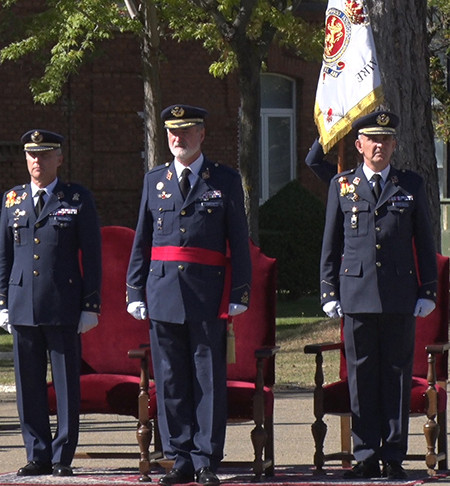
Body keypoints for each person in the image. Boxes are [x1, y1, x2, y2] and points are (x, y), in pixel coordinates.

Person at [126, 104, 251, 486]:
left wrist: (240, 291)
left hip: (206, 292)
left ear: (202, 135)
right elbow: (142, 240)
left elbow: (239, 242)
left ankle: (205, 458)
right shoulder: (154, 180)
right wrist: (135, 287)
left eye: (185, 132)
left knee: (206, 378)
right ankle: (179, 456)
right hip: (163, 290)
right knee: (169, 379)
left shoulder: (224, 180)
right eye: (171, 133)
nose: (178, 139)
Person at [319, 111, 438, 480]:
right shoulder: (342, 186)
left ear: (394, 145)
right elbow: (330, 244)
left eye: (386, 140)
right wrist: (328, 290)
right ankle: (366, 454)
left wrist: (428, 289)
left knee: (396, 378)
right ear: (359, 145)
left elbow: (425, 240)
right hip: (356, 296)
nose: (380, 146)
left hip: (400, 296)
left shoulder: (410, 185)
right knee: (361, 378)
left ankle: (394, 456)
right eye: (372, 139)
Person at [0, 129, 102, 477]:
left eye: (44, 155)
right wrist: (2, 303)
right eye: (31, 155)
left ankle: (62, 456)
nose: (37, 161)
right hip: (22, 303)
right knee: (28, 386)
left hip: (63, 304)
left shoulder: (76, 198)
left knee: (65, 385)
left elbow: (92, 254)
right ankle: (36, 454)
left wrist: (91, 305)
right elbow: (4, 257)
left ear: (59, 158)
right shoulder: (12, 200)